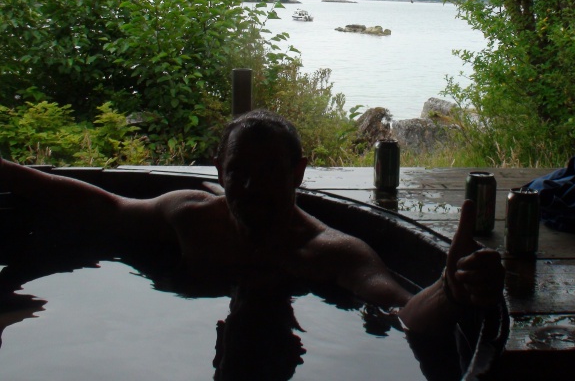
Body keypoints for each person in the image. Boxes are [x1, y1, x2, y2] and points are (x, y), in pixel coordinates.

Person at [0, 109, 505, 335]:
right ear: (219, 171)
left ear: (298, 173)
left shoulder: (331, 253)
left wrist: (450, 290)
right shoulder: (191, 216)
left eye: (269, 172)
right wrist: (6, 172)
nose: (250, 186)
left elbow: (401, 314)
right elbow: (107, 209)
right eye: (238, 171)